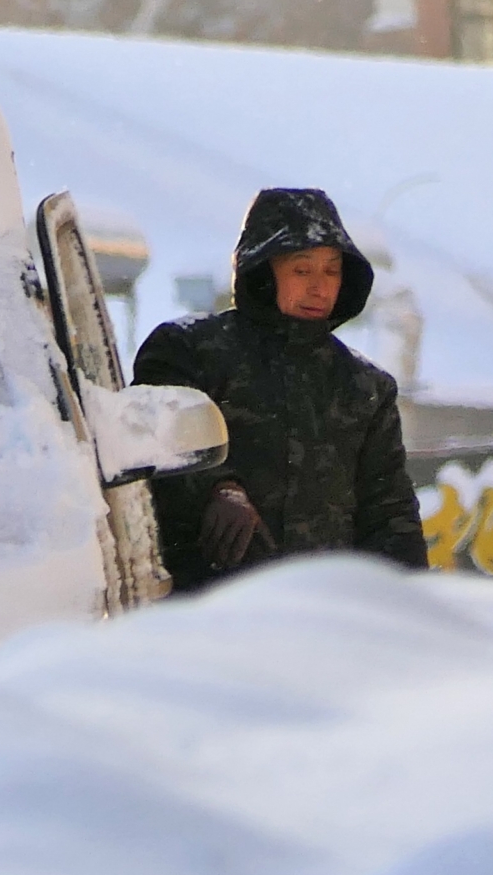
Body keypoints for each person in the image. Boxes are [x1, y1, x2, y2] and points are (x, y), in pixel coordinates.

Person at [132, 187, 425, 592]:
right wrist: (218, 488)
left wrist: (408, 607)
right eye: (302, 271)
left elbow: (390, 515)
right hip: (203, 613)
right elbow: (154, 443)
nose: (320, 288)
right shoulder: (189, 351)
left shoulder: (365, 389)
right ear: (264, 272)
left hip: (323, 618)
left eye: (332, 271)